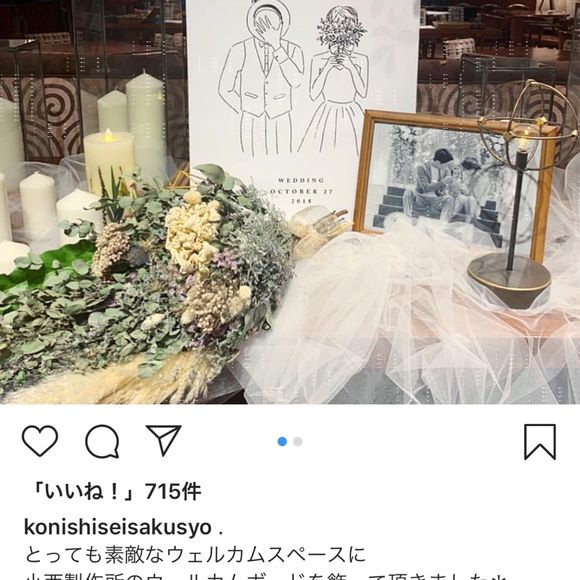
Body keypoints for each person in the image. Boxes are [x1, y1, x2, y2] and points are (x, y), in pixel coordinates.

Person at [218, 0, 304, 156]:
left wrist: (277, 47)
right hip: (251, 120)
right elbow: (225, 88)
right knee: (249, 158)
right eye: (262, 23)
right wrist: (245, 108)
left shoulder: (293, 49)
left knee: (283, 157)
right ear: (254, 25)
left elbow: (297, 82)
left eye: (272, 24)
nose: (267, 29)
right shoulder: (239, 49)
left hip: (281, 118)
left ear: (282, 24)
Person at [299, 6, 369, 156]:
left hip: (352, 113)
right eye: (338, 24)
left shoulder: (360, 59)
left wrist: (351, 67)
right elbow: (313, 94)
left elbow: (362, 92)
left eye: (348, 25)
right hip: (327, 113)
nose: (342, 28)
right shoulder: (319, 59)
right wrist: (326, 68)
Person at [403, 148, 455, 221]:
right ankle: (407, 218)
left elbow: (442, 189)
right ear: (437, 162)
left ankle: (442, 223)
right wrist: (443, 182)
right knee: (408, 192)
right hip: (421, 197)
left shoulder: (444, 171)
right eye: (445, 165)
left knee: (449, 199)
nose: (446, 167)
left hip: (435, 200)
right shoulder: (422, 168)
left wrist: (447, 185)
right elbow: (425, 188)